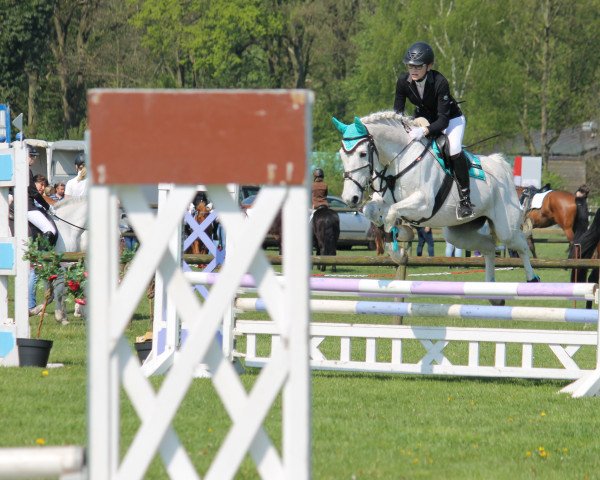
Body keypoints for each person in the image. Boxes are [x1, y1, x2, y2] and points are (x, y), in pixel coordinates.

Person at [393, 41, 475, 220]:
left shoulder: (440, 82)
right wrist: (404, 129)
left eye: (418, 66)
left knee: (453, 150)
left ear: (428, 66)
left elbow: (443, 120)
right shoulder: (402, 82)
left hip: (451, 119)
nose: (413, 70)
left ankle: (465, 199)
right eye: (410, 66)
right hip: (423, 119)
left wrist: (423, 131)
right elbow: (397, 113)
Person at [27, 147, 57, 245]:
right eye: (32, 156)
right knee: (50, 230)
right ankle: (40, 257)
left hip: (13, 205)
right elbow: (33, 192)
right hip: (27, 207)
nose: (34, 159)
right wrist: (47, 206)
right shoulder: (26, 170)